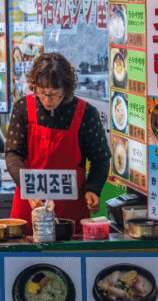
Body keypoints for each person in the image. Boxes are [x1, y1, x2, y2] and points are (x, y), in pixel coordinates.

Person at [6, 52, 110, 234]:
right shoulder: (23, 108)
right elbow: (13, 154)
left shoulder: (86, 114)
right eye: (42, 92)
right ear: (34, 85)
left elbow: (101, 159)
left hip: (72, 210)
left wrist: (93, 189)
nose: (47, 100)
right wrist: (29, 190)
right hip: (29, 205)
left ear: (67, 90)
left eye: (55, 94)